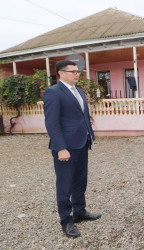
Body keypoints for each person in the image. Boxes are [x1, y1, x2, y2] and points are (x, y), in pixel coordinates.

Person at [43, 60, 101, 238]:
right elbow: (52, 123)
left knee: (80, 181)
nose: (77, 74)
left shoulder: (79, 92)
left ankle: (80, 212)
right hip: (66, 148)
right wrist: (61, 147)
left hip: (81, 144)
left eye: (78, 71)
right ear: (61, 73)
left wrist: (90, 139)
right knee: (65, 185)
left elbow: (84, 117)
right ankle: (66, 221)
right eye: (73, 71)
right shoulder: (53, 93)